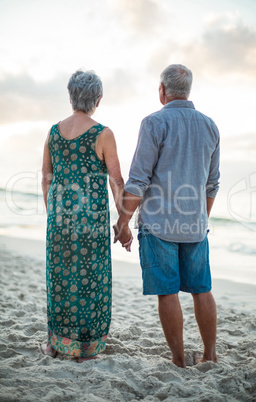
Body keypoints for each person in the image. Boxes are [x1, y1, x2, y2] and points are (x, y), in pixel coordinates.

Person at [114, 64, 220, 368]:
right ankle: (210, 354)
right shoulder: (211, 125)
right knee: (202, 289)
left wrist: (122, 222)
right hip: (195, 227)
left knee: (168, 292)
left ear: (162, 91)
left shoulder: (153, 123)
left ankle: (177, 359)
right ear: (188, 91)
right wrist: (201, 218)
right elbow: (212, 183)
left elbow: (138, 181)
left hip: (159, 226)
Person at [41, 69, 125, 362]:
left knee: (60, 279)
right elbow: (117, 181)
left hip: (59, 220)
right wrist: (123, 221)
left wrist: (53, 214)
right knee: (92, 280)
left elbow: (47, 178)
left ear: (70, 96)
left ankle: (56, 344)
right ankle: (85, 350)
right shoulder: (103, 134)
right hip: (91, 224)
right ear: (98, 99)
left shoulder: (53, 132)